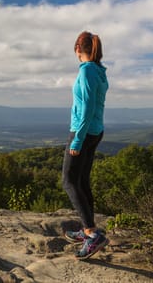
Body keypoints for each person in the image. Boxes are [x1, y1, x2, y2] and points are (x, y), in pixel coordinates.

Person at [62, 31, 109, 260]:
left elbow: (88, 107)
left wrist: (78, 139)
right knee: (81, 181)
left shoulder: (89, 70)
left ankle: (91, 234)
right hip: (95, 131)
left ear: (77, 49)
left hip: (84, 132)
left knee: (69, 181)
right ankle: (88, 228)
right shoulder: (99, 71)